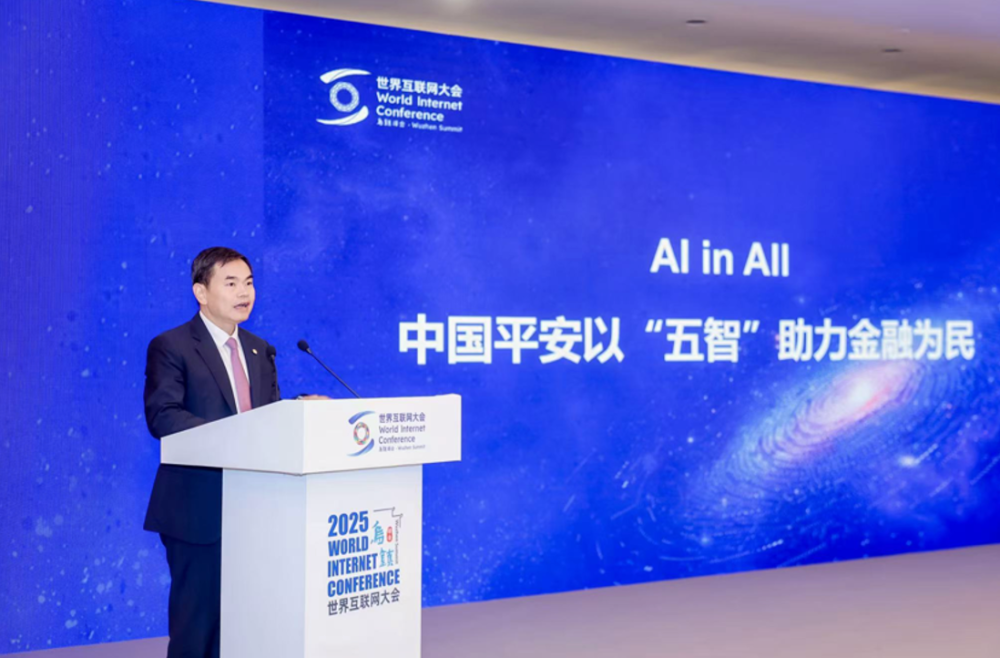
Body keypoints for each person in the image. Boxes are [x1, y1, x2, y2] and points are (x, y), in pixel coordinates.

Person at [142, 247, 279, 658]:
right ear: (201, 292)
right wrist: (233, 437)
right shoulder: (172, 346)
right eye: (231, 283)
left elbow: (270, 420)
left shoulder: (260, 350)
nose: (244, 293)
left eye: (249, 283)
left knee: (245, 630)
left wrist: (301, 413)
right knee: (197, 631)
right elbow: (163, 416)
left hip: (254, 508)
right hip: (197, 510)